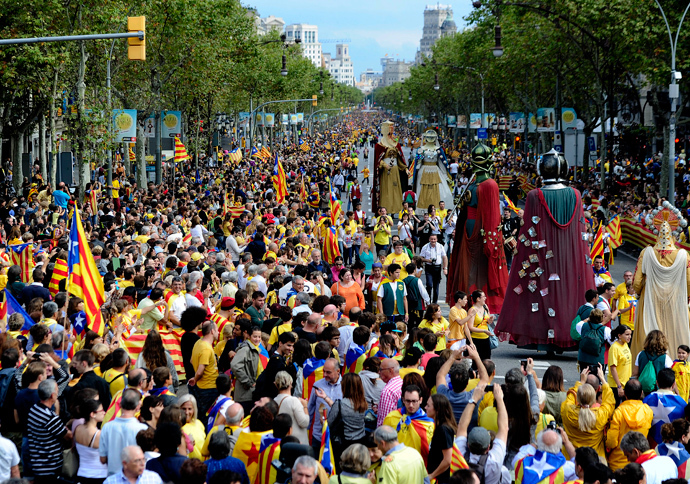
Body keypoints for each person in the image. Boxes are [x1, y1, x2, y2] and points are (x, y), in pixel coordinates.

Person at [447, 143, 509, 314]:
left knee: (472, 269)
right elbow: (492, 217)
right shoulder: (490, 185)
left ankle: (470, 297)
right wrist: (493, 244)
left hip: (469, 227)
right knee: (480, 267)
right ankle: (480, 299)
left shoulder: (473, 184)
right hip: (480, 230)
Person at [630, 217, 690, 360]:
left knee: (647, 333)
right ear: (674, 235)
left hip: (650, 299)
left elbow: (636, 282)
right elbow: (689, 281)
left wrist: (639, 293)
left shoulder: (646, 252)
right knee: (675, 331)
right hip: (675, 300)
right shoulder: (683, 255)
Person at [455, 382, 510, 484]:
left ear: (468, 445)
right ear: (488, 447)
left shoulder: (460, 455)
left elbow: (462, 426)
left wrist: (474, 399)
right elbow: (504, 428)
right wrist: (500, 399)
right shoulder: (494, 461)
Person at [561, 366, 615, 462]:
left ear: (577, 397)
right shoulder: (600, 415)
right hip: (595, 460)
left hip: (570, 459)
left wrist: (581, 382)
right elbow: (610, 401)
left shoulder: (568, 411)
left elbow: (570, 395)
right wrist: (603, 379)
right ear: (597, 390)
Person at [28, 379, 72, 483]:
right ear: (52, 395)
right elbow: (68, 436)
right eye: (57, 391)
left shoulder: (33, 409)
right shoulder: (50, 417)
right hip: (49, 466)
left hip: (37, 464)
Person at [605, 379, 653, 470]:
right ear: (641, 393)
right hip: (639, 462)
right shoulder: (648, 411)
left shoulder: (619, 412)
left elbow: (611, 442)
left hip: (617, 463)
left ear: (625, 394)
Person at [100, 388, 148, 475]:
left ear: (120, 404)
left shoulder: (107, 427)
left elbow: (102, 459)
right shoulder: (142, 428)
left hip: (112, 477)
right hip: (135, 476)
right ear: (138, 407)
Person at [323, 373, 368, 467]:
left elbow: (329, 423)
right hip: (360, 441)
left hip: (344, 444)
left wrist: (322, 420)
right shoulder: (363, 403)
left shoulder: (340, 404)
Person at [435, 346, 489, 425]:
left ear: (451, 381)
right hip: (468, 434)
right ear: (467, 383)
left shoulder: (443, 394)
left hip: (448, 433)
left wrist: (452, 357)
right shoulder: (473, 396)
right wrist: (476, 357)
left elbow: (440, 375)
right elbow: (484, 379)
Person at [643, 368, 687, 446]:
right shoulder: (682, 403)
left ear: (657, 383)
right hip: (675, 448)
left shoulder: (647, 400)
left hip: (651, 447)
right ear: (674, 385)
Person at [307, 358, 342, 455]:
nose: (325, 375)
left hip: (337, 438)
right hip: (318, 437)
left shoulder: (345, 386)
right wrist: (306, 429)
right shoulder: (317, 385)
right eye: (324, 371)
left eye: (328, 372)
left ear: (338, 371)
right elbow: (310, 408)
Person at [188, 321, 220, 422]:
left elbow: (191, 361)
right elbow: (200, 371)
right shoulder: (206, 348)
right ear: (212, 331)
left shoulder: (198, 342)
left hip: (203, 387)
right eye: (217, 330)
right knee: (207, 417)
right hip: (208, 388)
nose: (218, 332)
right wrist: (195, 379)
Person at [74, 398, 109, 483]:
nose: (104, 413)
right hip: (99, 476)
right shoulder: (98, 435)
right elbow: (106, 458)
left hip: (81, 474)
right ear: (92, 414)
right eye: (101, 410)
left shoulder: (78, 428)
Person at [426, 393, 458, 483]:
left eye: (428, 405)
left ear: (437, 409)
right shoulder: (441, 427)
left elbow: (447, 460)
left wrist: (432, 475)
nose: (425, 408)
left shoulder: (443, 430)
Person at [231, 325, 263, 413]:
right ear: (249, 336)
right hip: (244, 394)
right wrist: (247, 382)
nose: (257, 339)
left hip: (250, 393)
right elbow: (235, 365)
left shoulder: (255, 349)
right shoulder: (245, 349)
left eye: (259, 337)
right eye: (255, 336)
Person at [274, 371, 310, 445]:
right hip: (298, 443)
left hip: (282, 443)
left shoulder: (274, 401)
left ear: (276, 385)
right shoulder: (293, 401)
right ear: (291, 383)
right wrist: (305, 406)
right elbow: (304, 422)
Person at [466, 290, 495, 361]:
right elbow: (470, 327)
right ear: (478, 299)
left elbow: (487, 321)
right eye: (483, 296)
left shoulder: (485, 307)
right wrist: (484, 331)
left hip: (486, 338)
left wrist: (490, 320)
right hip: (475, 339)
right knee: (475, 362)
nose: (485, 298)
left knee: (486, 361)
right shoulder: (472, 310)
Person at [419, 234, 448, 304]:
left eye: (434, 239)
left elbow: (444, 257)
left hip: (437, 268)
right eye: (431, 239)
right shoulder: (425, 247)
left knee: (436, 286)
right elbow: (420, 258)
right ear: (429, 239)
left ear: (437, 239)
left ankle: (435, 302)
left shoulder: (440, 246)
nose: (433, 240)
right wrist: (427, 260)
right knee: (429, 285)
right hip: (429, 267)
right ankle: (428, 301)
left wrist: (445, 268)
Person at [608, 325, 633, 404]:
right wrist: (619, 386)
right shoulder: (614, 348)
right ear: (619, 335)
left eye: (630, 334)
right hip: (617, 385)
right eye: (627, 334)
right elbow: (613, 368)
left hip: (626, 383)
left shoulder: (625, 344)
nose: (629, 337)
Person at [178, 394, 207, 460]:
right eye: (184, 409)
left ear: (194, 410)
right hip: (188, 465)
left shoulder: (199, 423)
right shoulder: (177, 427)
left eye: (190, 409)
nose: (186, 412)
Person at [378, 358, 403, 427]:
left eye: (381, 370)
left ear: (390, 370)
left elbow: (385, 421)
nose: (379, 372)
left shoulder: (387, 391)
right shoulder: (401, 382)